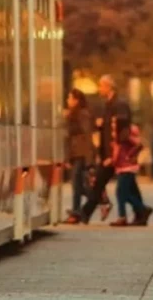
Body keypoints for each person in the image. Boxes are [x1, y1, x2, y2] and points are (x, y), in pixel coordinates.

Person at [80, 75, 133, 224]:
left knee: (100, 182)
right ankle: (141, 210)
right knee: (102, 182)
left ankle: (85, 212)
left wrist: (113, 153)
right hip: (108, 152)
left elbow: (119, 129)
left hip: (115, 152)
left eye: (101, 86)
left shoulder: (119, 104)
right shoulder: (109, 104)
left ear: (109, 87)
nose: (99, 89)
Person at [111, 124, 151, 226]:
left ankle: (139, 210)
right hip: (122, 167)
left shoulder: (127, 132)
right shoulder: (118, 130)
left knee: (121, 193)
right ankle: (139, 211)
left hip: (127, 167)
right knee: (128, 192)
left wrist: (130, 156)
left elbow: (139, 145)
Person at [63, 89, 94, 223]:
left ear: (77, 100)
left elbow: (87, 135)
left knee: (76, 183)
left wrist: (89, 157)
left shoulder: (82, 114)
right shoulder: (72, 115)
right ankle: (98, 198)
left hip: (81, 153)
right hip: (74, 153)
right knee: (77, 184)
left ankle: (76, 212)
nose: (67, 101)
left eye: (70, 98)